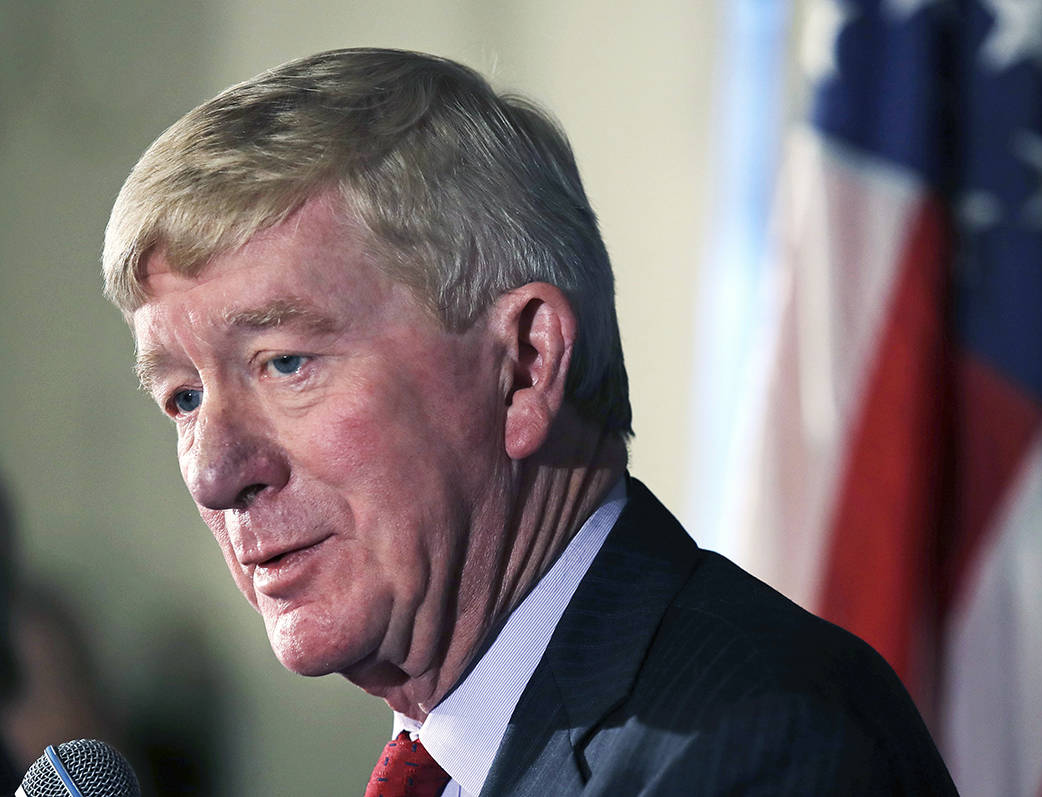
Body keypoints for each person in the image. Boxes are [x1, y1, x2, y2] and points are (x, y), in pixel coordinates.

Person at [102, 48, 957, 796]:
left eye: (285, 362)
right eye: (182, 396)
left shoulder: (758, 750)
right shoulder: (456, 752)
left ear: (525, 365)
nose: (215, 472)